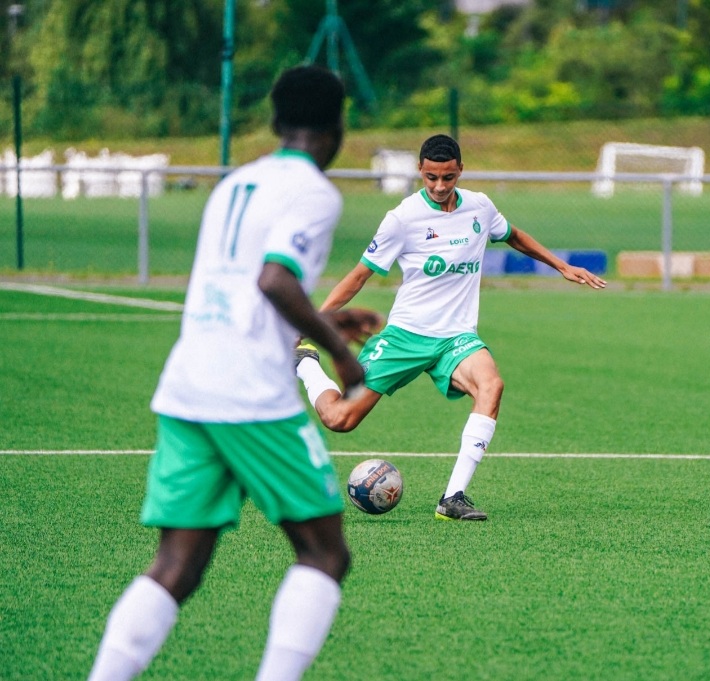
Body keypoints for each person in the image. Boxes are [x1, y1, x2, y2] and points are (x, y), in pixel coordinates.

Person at [88, 65, 366, 681]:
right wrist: (340, 356)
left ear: (275, 121)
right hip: (250, 395)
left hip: (188, 385)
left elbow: (249, 284)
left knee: (176, 567)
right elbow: (273, 278)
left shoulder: (236, 182)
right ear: (336, 127)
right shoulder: (317, 192)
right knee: (325, 553)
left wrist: (324, 324)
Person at [295, 133, 606, 521]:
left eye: (448, 177)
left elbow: (512, 236)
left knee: (491, 386)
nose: (439, 186)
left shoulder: (479, 207)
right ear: (420, 173)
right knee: (340, 420)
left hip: (457, 338)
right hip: (406, 337)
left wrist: (561, 266)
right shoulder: (402, 219)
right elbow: (359, 276)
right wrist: (313, 323)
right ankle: (305, 364)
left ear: (460, 171)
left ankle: (453, 497)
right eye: (430, 178)